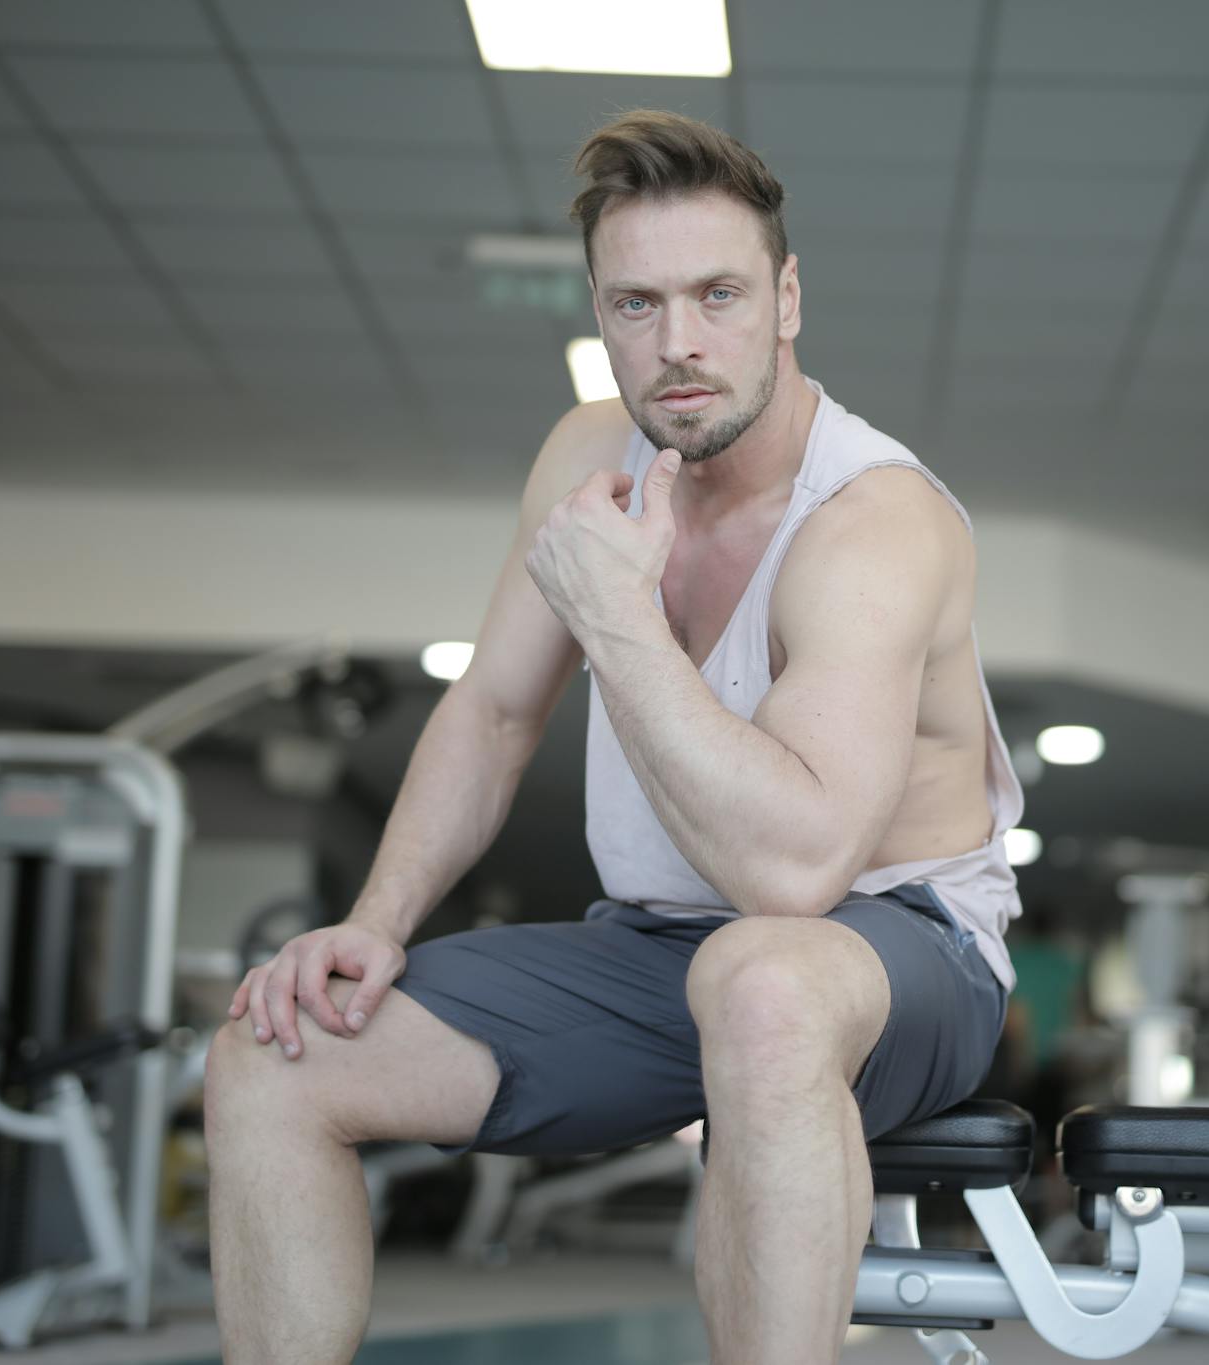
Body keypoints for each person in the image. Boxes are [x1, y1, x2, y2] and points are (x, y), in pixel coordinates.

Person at [202, 110, 1024, 1365]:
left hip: (890, 947)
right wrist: (373, 925)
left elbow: (793, 879)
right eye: (635, 305)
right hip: (658, 950)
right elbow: (492, 712)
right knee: (276, 1050)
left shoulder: (871, 524)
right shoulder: (589, 457)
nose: (677, 345)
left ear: (788, 297)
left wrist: (614, 618)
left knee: (757, 982)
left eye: (717, 295)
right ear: (595, 310)